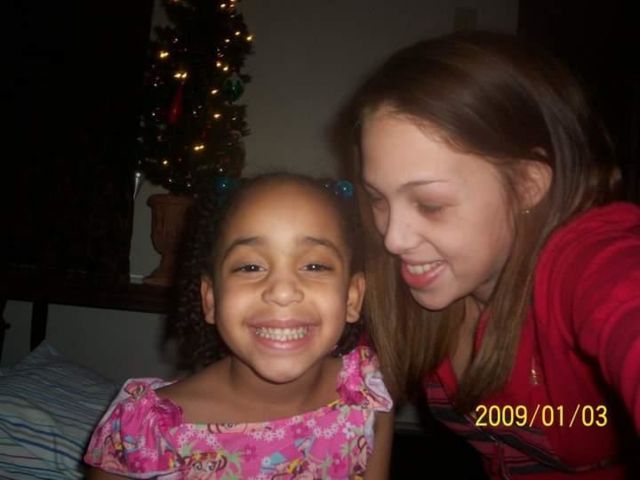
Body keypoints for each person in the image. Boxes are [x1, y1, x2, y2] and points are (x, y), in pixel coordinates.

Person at [347, 31, 639, 479]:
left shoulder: (583, 261)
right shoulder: (416, 278)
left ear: (527, 186)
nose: (393, 239)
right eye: (378, 198)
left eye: (430, 204)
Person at [84, 173, 394, 479]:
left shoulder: (368, 396)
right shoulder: (142, 432)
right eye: (250, 266)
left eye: (314, 265)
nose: (282, 291)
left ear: (352, 298)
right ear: (210, 300)